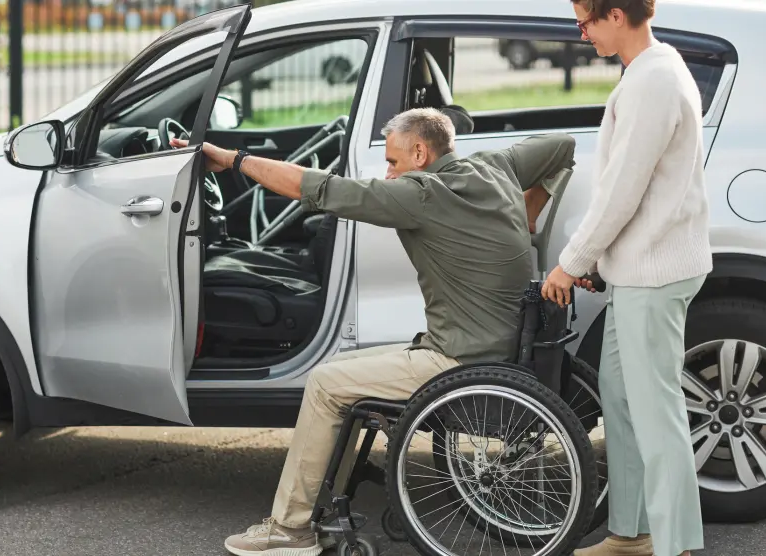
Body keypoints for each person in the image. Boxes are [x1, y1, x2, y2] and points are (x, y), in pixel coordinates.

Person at [174, 107, 576, 556]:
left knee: (325, 383)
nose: (387, 172)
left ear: (420, 153)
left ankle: (290, 530)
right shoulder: (494, 166)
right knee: (336, 371)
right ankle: (317, 508)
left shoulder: (419, 194)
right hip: (501, 345)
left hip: (460, 359)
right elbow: (563, 146)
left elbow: (315, 188)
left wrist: (232, 160)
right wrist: (529, 209)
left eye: (392, 161)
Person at [539, 2, 713, 556]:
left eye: (585, 21)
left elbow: (622, 191)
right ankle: (631, 534)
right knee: (620, 395)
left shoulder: (653, 81)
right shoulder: (652, 71)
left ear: (616, 14)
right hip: (639, 269)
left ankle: (678, 545)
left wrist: (573, 260)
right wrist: (596, 262)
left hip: (654, 273)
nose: (580, 32)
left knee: (655, 411)